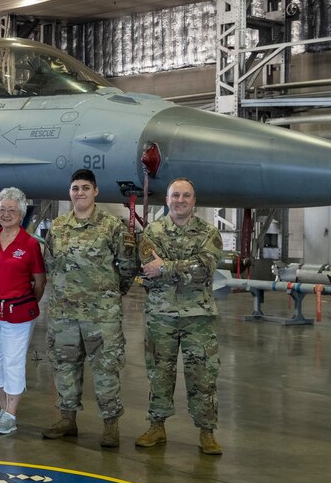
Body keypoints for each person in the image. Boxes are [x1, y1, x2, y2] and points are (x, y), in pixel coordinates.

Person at [42, 168, 137, 448]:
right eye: (75, 188)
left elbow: (128, 265)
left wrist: (110, 292)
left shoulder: (112, 226)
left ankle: (110, 425)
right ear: (69, 193)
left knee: (106, 369)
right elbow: (50, 263)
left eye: (85, 187)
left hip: (101, 315)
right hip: (64, 314)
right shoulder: (58, 226)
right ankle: (67, 420)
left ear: (95, 191)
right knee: (64, 368)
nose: (80, 192)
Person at [137, 178, 224, 455]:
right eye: (176, 195)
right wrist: (176, 267)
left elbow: (205, 268)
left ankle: (207, 431)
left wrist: (167, 267)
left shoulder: (209, 233)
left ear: (194, 201)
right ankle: (157, 426)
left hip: (198, 316)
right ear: (167, 200)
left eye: (186, 196)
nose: (180, 200)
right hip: (161, 315)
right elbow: (149, 266)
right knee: (159, 373)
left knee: (203, 375)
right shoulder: (152, 230)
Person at [0, 187, 46, 435]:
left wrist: (26, 303)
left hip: (17, 316)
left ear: (21, 214)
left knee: (13, 363)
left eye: (12, 210)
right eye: (2, 210)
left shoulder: (29, 245)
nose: (6, 214)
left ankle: (12, 414)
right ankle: (3, 409)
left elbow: (39, 282)